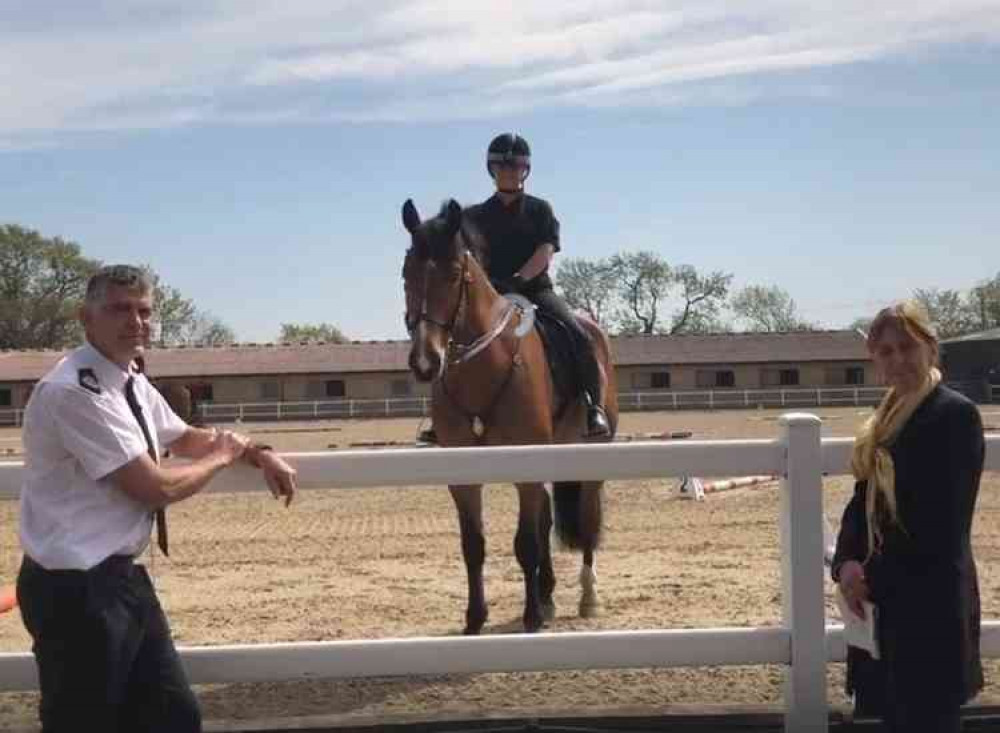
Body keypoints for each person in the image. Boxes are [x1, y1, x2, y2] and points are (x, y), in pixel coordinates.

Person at [16, 265, 298, 733]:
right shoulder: (74, 391)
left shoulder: (127, 380)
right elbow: (155, 487)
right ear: (86, 318)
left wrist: (255, 451)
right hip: (75, 591)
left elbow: (185, 437)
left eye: (144, 311)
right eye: (120, 309)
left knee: (174, 717)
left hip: (121, 581)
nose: (136, 321)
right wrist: (224, 458)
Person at [832, 300, 984, 732]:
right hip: (883, 611)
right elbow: (861, 503)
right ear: (874, 359)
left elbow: (943, 526)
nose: (897, 359)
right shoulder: (881, 424)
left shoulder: (954, 416)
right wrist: (845, 563)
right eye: (886, 351)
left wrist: (870, 577)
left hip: (930, 610)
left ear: (930, 349)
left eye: (907, 347)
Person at [419, 132, 610, 443]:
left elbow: (545, 253)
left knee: (578, 334)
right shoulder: (473, 216)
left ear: (525, 170)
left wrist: (518, 280)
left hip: (534, 291)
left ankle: (593, 407)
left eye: (516, 167)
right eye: (502, 167)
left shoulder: (540, 210)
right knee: (450, 341)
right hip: (487, 296)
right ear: (492, 170)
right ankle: (437, 418)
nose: (509, 172)